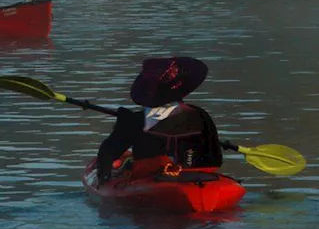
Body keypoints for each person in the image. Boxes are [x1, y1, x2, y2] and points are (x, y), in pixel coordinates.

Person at [96, 57, 224, 184]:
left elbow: (107, 153)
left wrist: (104, 179)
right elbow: (215, 158)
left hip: (149, 179)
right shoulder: (200, 115)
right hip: (197, 177)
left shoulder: (135, 120)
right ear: (180, 87)